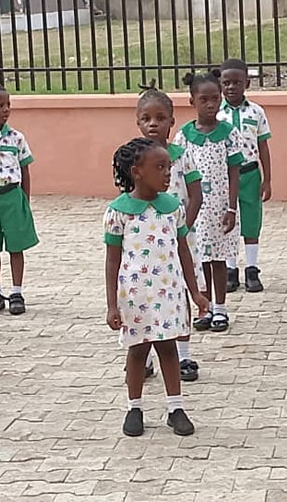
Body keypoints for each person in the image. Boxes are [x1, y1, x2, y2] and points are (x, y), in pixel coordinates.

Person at [104, 139, 210, 437]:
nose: (167, 174)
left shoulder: (172, 208)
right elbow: (112, 262)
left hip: (170, 292)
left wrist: (195, 291)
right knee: (138, 352)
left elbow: (183, 251)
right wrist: (112, 304)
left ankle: (175, 407)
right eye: (160, 167)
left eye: (169, 167)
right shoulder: (119, 213)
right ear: (137, 172)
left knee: (168, 347)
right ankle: (134, 407)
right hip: (136, 296)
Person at [137, 83, 205, 382]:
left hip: (179, 239)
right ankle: (146, 356)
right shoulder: (134, 157)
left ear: (171, 121)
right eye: (147, 118)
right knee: (148, 297)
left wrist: (184, 227)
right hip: (146, 244)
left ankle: (184, 355)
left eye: (160, 118)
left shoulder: (183, 155)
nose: (154, 124)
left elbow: (196, 194)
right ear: (138, 122)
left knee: (179, 294)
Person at [174, 70, 244, 333]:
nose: (211, 104)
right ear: (192, 101)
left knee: (218, 258)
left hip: (219, 208)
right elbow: (176, 170)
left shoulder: (228, 133)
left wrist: (231, 207)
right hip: (194, 209)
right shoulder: (183, 136)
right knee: (199, 257)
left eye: (215, 99)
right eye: (204, 99)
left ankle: (221, 308)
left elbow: (234, 171)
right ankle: (205, 305)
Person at [0, 83, 39, 317]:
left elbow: (25, 170)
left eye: (8, 105)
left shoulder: (16, 138)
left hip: (12, 196)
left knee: (16, 246)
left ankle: (16, 291)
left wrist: (25, 199)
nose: (6, 110)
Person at [217, 58, 272, 294]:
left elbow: (264, 146)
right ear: (220, 84)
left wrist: (267, 179)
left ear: (246, 83)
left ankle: (251, 268)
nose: (231, 87)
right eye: (226, 83)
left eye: (236, 82)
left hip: (250, 174)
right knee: (228, 221)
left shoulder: (257, 112)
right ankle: (230, 270)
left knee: (251, 221)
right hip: (224, 176)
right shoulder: (216, 114)